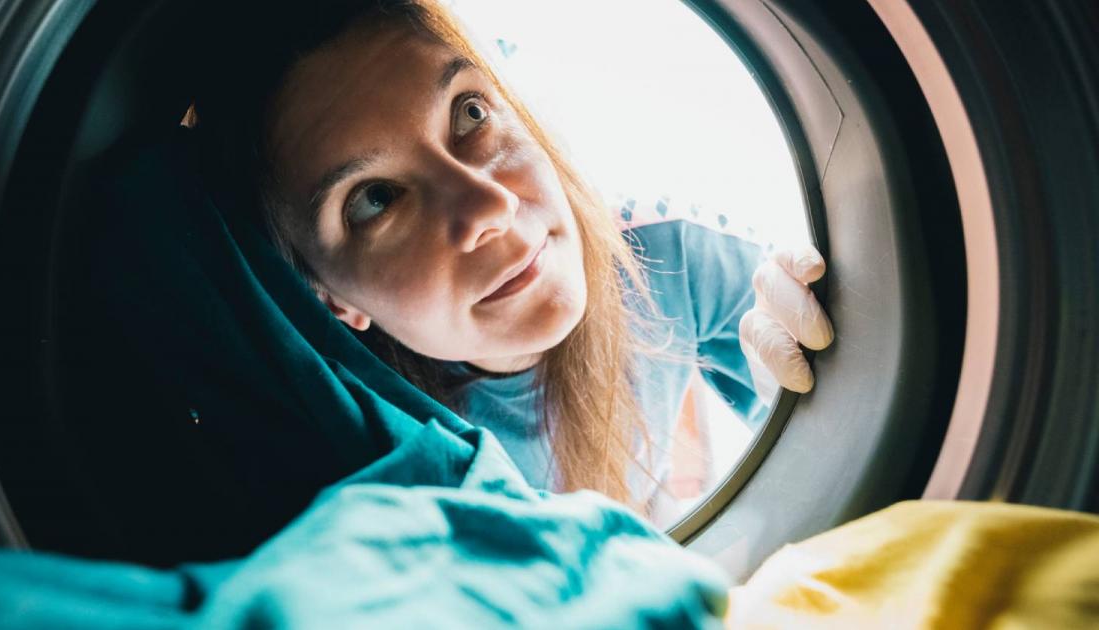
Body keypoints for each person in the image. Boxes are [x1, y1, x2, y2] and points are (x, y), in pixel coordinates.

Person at [192, 0, 833, 524]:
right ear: (333, 299)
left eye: (470, 114)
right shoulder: (363, 458)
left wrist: (813, 409)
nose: (487, 205)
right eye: (375, 200)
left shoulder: (668, 251)